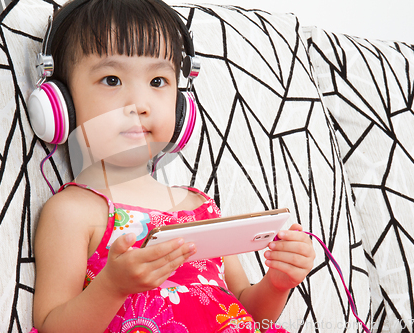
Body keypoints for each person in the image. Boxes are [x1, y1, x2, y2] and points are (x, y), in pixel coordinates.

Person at [30, 0, 316, 332]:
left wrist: (278, 283)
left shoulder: (202, 207)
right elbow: (52, 326)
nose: (140, 104)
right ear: (60, 101)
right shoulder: (72, 212)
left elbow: (248, 311)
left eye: (157, 82)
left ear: (181, 105)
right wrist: (112, 288)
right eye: (111, 80)